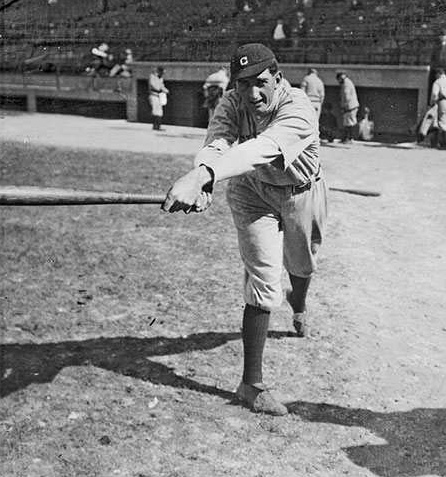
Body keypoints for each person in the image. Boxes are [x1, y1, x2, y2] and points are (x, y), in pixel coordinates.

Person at [162, 43, 328, 416]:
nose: (252, 93)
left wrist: (203, 177)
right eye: (243, 85)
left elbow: (263, 148)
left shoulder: (298, 108)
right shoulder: (233, 101)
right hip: (252, 192)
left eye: (260, 83)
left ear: (278, 78)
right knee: (264, 282)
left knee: (302, 265)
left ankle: (298, 306)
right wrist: (204, 179)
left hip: (301, 192)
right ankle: (251, 384)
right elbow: (217, 142)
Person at [428, 68, 446, 149]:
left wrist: (432, 103)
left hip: (442, 102)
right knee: (441, 122)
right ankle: (436, 143)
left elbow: (434, 94)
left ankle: (445, 144)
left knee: (442, 123)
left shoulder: (438, 82)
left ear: (438, 74)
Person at [336, 71, 359, 144]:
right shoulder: (347, 82)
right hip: (351, 105)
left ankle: (349, 138)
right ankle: (348, 138)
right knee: (348, 123)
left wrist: (344, 106)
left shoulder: (346, 84)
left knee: (349, 123)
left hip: (349, 106)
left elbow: (346, 96)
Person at [148, 66, 169, 131]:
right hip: (153, 94)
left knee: (159, 111)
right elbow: (153, 85)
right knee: (155, 110)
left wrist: (166, 90)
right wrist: (159, 88)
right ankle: (155, 125)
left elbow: (162, 86)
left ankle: (158, 125)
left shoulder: (160, 78)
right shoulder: (153, 76)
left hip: (159, 95)